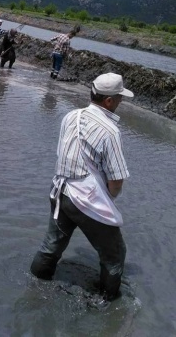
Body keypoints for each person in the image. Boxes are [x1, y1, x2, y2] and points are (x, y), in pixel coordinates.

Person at [30, 72, 134, 302]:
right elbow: (116, 181)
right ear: (109, 101)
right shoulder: (110, 131)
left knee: (52, 245)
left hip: (59, 190)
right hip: (85, 199)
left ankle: (34, 288)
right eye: (119, 98)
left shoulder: (71, 116)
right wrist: (105, 200)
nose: (120, 102)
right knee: (115, 255)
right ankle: (107, 305)